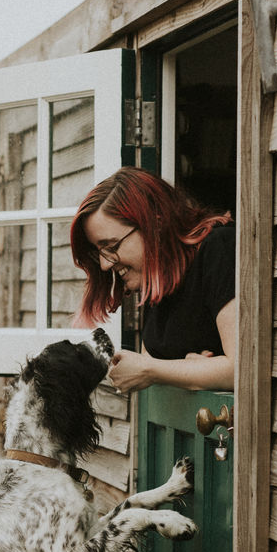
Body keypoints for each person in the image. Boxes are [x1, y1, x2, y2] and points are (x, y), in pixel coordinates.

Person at [70, 167, 235, 392]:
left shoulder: (219, 249)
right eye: (97, 251)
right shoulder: (156, 280)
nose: (105, 264)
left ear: (155, 226)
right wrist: (186, 371)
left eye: (111, 246)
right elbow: (158, 363)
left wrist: (153, 370)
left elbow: (240, 368)